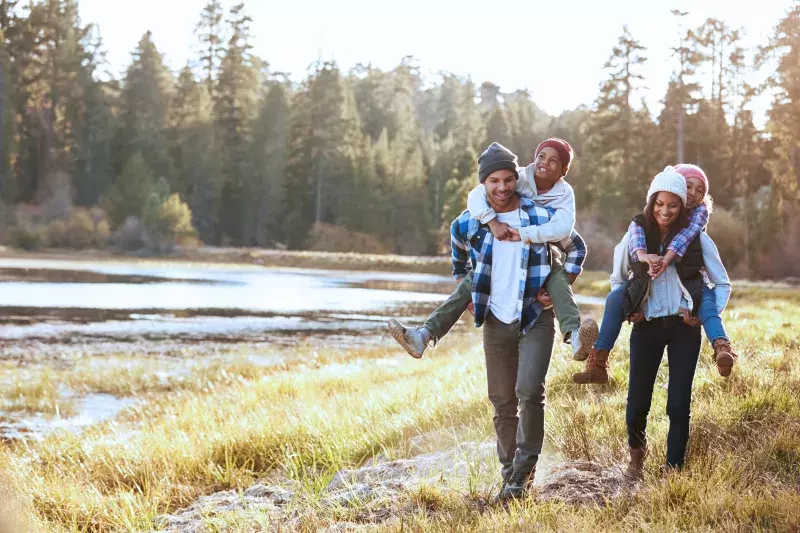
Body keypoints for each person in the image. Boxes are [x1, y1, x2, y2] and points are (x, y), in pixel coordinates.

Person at [448, 143, 585, 500]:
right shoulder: (473, 219)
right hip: (495, 318)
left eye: (508, 179)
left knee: (529, 392)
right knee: (501, 401)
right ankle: (510, 476)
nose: (503, 187)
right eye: (494, 180)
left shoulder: (538, 215)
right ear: (484, 184)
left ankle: (523, 475)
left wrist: (560, 284)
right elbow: (457, 244)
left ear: (516, 180)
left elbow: (576, 245)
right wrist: (467, 285)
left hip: (535, 316)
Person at [389, 139, 597, 362]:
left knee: (557, 278)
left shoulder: (563, 195)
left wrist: (565, 279)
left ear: (564, 171)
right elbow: (476, 196)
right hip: (500, 254)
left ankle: (575, 336)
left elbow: (568, 232)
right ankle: (422, 336)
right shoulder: (517, 178)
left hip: (546, 249)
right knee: (472, 280)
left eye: (553, 160)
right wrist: (491, 222)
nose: (544, 163)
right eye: (541, 156)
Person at [608, 167, 731, 477]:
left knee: (678, 403)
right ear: (655, 201)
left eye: (676, 202)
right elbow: (617, 279)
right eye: (662, 203)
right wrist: (629, 309)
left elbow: (722, 284)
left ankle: (673, 468)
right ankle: (637, 453)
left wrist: (702, 313)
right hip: (646, 326)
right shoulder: (636, 235)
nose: (668, 209)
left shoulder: (698, 239)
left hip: (683, 328)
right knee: (637, 401)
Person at [573, 163, 737, 385]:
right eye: (688, 187)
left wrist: (666, 260)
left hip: (689, 290)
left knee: (707, 302)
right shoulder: (641, 223)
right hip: (647, 301)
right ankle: (598, 361)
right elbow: (624, 262)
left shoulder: (697, 223)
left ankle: (721, 347)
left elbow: (687, 240)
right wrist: (633, 302)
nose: (693, 194)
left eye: (700, 191)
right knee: (614, 298)